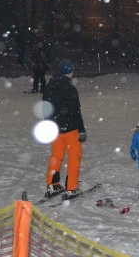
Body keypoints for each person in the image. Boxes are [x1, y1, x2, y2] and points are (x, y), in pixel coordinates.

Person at [42, 60, 86, 199]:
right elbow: (75, 111)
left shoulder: (49, 87)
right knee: (74, 157)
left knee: (56, 156)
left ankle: (52, 184)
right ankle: (71, 187)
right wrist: (82, 129)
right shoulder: (70, 89)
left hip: (54, 129)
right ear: (70, 72)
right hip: (70, 130)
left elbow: (45, 108)